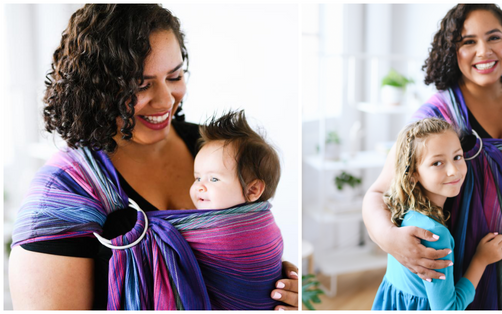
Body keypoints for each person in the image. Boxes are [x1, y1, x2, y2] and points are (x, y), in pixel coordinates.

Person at [9, 4, 298, 310]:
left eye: (174, 77)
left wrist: (274, 291)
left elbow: (247, 238)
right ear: (95, 89)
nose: (164, 101)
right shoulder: (62, 195)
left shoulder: (218, 148)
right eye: (141, 85)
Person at [363, 4, 502, 310]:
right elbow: (377, 193)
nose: (484, 51)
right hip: (463, 267)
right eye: (468, 42)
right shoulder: (436, 117)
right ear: (452, 50)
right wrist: (389, 239)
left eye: (494, 37)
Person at [371, 118, 502, 310]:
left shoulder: (401, 212)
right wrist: (481, 260)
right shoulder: (434, 235)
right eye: (437, 163)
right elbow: (447, 309)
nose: (453, 171)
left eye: (457, 157)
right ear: (413, 175)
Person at [190, 110, 281, 210]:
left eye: (214, 179)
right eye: (198, 178)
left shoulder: (235, 225)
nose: (199, 187)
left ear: (252, 190)